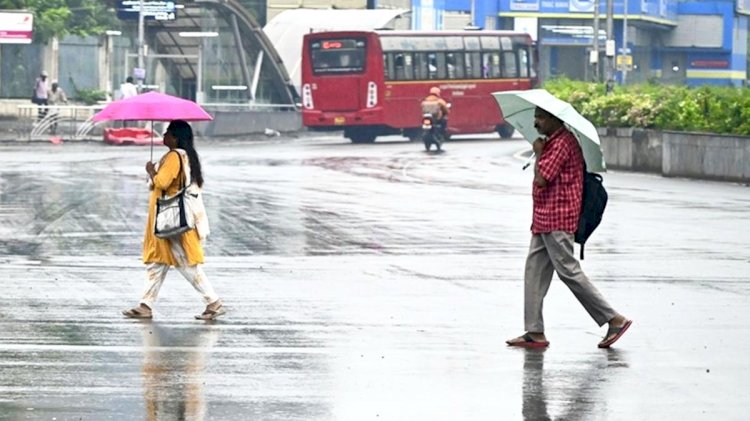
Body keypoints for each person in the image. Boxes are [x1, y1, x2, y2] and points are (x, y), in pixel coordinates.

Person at [506, 106, 631, 349]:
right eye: (535, 118)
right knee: (534, 271)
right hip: (543, 218)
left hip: (558, 218)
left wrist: (539, 154)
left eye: (541, 117)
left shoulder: (562, 143)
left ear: (554, 118)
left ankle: (614, 319)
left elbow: (542, 178)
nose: (536, 123)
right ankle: (534, 331)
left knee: (568, 271)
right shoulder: (553, 141)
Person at [122, 120, 225, 320]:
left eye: (168, 132)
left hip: (171, 221)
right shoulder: (186, 156)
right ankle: (145, 305)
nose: (164, 135)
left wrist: (151, 171)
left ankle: (213, 301)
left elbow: (162, 182)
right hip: (169, 219)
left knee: (185, 263)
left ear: (176, 137)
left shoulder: (173, 156)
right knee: (157, 262)